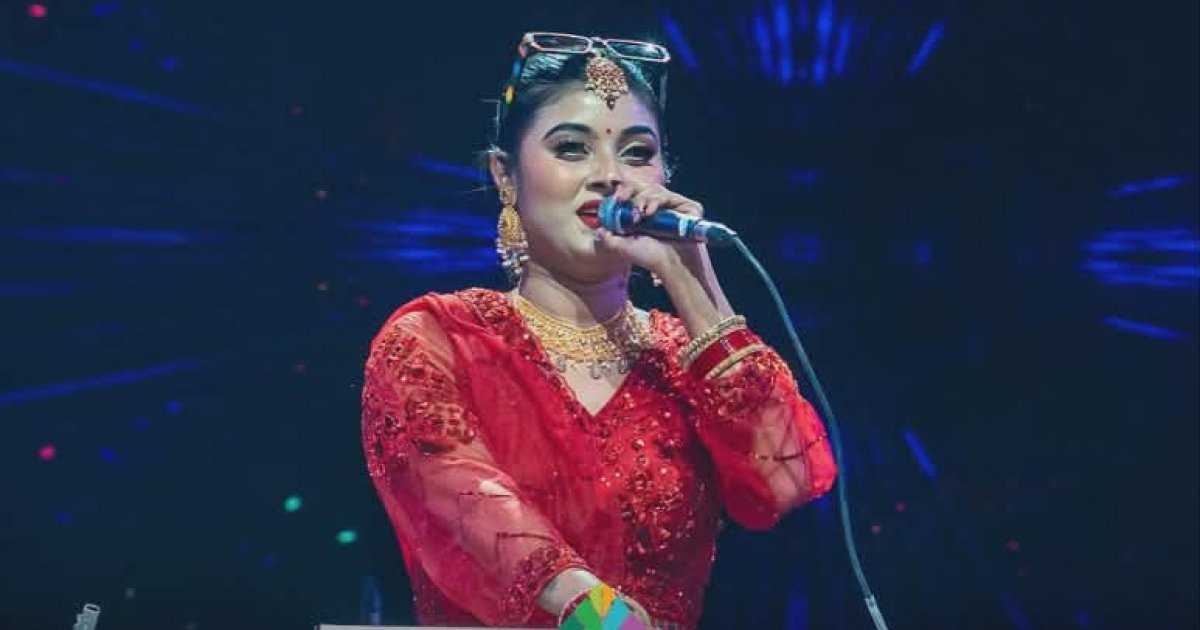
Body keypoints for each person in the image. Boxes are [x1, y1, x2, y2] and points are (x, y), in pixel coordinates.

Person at [360, 32, 837, 629]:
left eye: (637, 153)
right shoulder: (438, 340)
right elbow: (466, 505)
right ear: (506, 176)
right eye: (572, 148)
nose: (611, 176)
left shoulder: (682, 357)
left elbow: (785, 481)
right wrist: (602, 618)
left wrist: (694, 282)